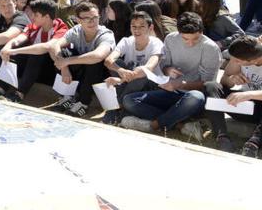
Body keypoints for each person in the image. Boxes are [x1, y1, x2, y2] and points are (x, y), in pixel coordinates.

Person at [120, 12, 221, 141]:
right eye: (185, 39)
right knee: (129, 100)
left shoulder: (210, 48)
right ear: (179, 33)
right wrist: (168, 70)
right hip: (169, 91)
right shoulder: (171, 39)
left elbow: (207, 84)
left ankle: (153, 125)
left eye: (195, 39)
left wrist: (180, 84)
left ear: (202, 32)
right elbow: (164, 64)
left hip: (192, 97)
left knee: (195, 97)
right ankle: (180, 124)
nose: (190, 43)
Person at [45, 2, 115, 117]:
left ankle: (83, 103)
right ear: (78, 20)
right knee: (62, 53)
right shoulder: (76, 30)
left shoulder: (106, 34)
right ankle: (67, 96)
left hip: (100, 75)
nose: (92, 21)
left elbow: (98, 55)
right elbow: (54, 46)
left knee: (93, 61)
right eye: (87, 18)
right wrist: (64, 67)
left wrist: (66, 62)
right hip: (81, 71)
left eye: (95, 17)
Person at [0, 0, 70, 103]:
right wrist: (8, 47)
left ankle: (20, 94)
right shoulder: (34, 26)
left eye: (36, 15)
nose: (32, 17)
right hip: (32, 70)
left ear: (46, 17)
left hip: (53, 71)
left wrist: (13, 51)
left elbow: (47, 46)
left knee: (37, 52)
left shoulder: (61, 28)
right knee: (15, 48)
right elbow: (19, 39)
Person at [101, 11, 164, 124]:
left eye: (141, 26)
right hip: (129, 83)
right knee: (118, 63)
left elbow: (149, 68)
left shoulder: (156, 43)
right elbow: (108, 61)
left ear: (150, 27)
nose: (137, 30)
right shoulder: (127, 41)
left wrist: (120, 80)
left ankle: (116, 107)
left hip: (150, 84)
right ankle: (121, 109)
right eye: (133, 26)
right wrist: (120, 71)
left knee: (142, 71)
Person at [204, 36, 262, 157]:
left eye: (238, 61)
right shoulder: (241, 54)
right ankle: (222, 136)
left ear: (255, 60)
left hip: (257, 108)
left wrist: (248, 94)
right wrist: (232, 79)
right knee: (211, 86)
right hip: (244, 106)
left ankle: (253, 144)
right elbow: (224, 80)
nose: (234, 62)